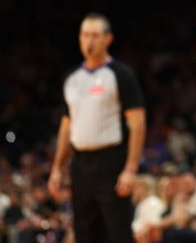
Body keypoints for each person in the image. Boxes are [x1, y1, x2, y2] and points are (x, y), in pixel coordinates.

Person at [47, 13, 146, 243]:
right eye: (85, 35)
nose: (89, 41)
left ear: (107, 39)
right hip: (80, 164)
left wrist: (131, 169)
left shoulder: (121, 74)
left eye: (94, 35)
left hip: (112, 161)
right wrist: (57, 168)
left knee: (117, 232)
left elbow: (138, 123)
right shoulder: (71, 78)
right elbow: (66, 127)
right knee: (84, 232)